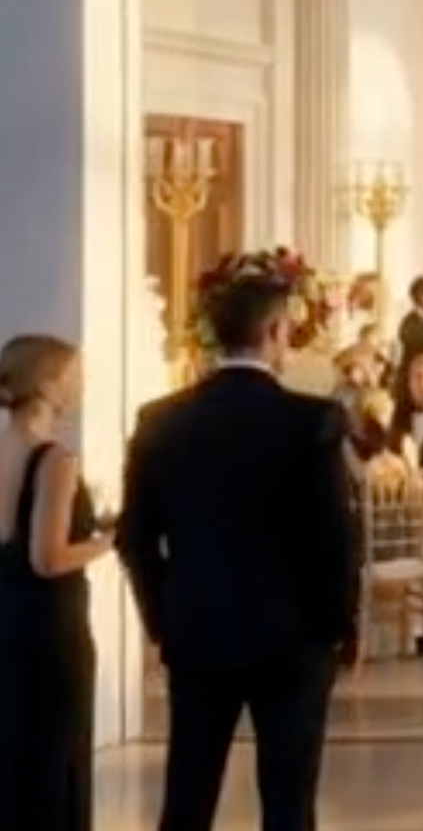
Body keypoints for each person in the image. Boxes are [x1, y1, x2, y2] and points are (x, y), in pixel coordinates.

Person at [120, 264, 362, 831]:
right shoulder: (311, 422)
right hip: (294, 636)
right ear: (275, 333)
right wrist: (338, 626)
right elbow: (335, 538)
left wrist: (164, 618)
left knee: (188, 793)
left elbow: (134, 535)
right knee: (287, 797)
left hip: (199, 630)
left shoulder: (161, 421)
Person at [0, 336, 107, 831]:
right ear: (47, 384)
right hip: (49, 629)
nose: (82, 384)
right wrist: (108, 540)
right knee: (53, 756)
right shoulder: (55, 460)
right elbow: (47, 558)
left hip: (6, 619)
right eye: (74, 374)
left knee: (12, 754)